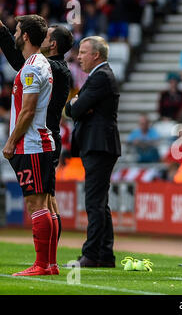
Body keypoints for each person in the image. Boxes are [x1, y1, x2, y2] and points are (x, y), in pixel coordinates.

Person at [0, 19, 74, 276]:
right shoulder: (41, 64)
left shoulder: (33, 68)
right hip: (40, 141)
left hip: (31, 143)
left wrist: (10, 141)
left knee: (37, 205)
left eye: (18, 31)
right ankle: (50, 263)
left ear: (27, 36)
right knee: (45, 203)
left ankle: (42, 264)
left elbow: (28, 110)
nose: (16, 35)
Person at [64, 36, 121, 268]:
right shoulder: (100, 76)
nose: (79, 57)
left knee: (94, 202)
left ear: (96, 55)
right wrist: (77, 105)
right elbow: (76, 108)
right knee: (100, 202)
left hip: (98, 145)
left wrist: (76, 105)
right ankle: (105, 254)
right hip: (99, 144)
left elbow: (73, 110)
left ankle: (91, 255)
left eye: (83, 52)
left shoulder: (100, 77)